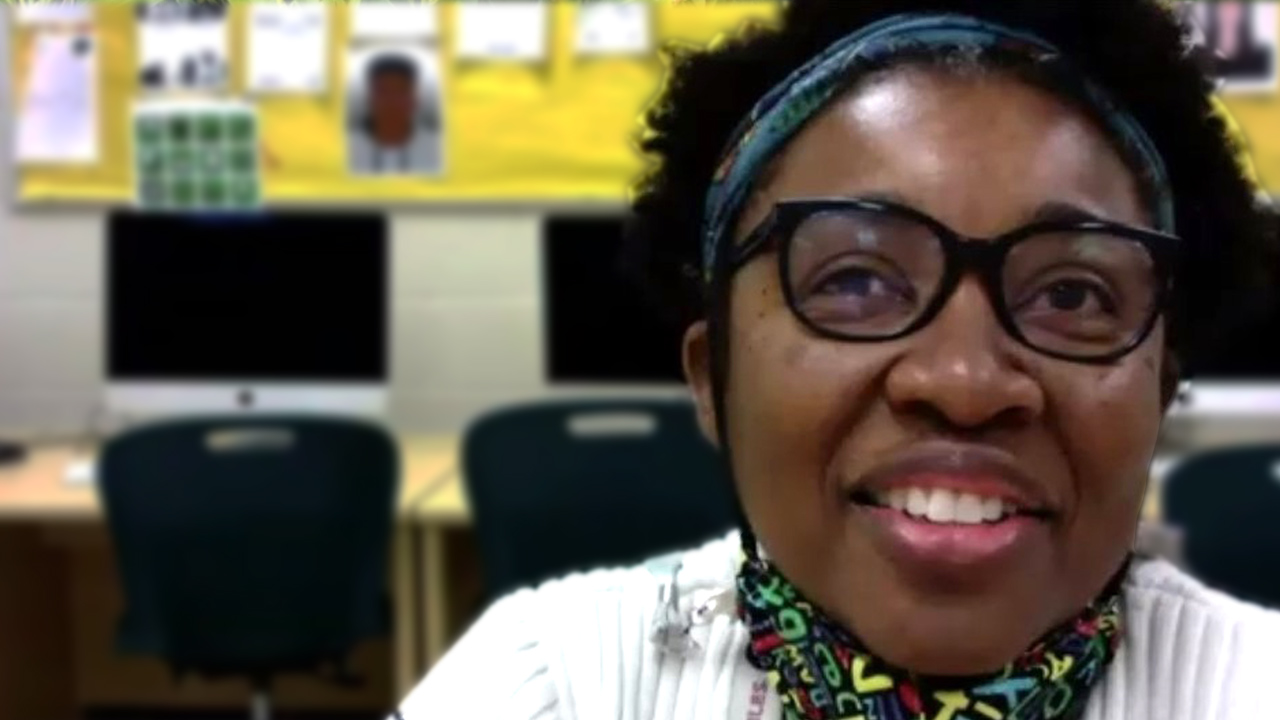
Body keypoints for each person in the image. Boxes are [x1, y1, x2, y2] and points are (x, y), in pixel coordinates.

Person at [396, 1, 1280, 718]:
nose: (966, 383)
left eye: (1071, 296)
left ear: (1162, 388)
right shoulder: (554, 681)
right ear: (714, 377)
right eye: (856, 280)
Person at [348, 53, 442, 176]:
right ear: (369, 100)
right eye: (383, 92)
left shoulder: (438, 149)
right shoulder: (345, 148)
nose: (391, 102)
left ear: (414, 100)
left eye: (400, 92)